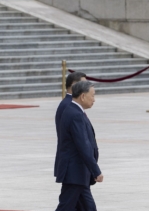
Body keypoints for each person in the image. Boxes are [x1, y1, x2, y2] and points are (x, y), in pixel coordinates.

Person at [55, 81, 102, 211]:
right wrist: (96, 170)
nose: (94, 100)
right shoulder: (75, 114)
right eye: (92, 96)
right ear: (82, 96)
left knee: (88, 207)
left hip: (78, 174)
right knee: (66, 207)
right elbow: (83, 145)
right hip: (74, 172)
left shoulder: (74, 111)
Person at [55, 71, 87, 178]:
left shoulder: (72, 103)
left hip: (75, 164)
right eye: (84, 84)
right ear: (73, 85)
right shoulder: (68, 105)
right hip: (72, 164)